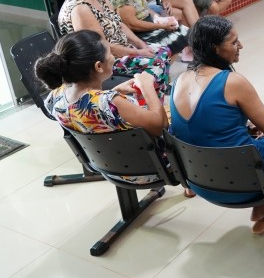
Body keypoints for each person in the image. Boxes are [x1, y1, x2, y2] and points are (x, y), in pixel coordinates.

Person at [169, 16, 264, 234]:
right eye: (234, 42)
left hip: (199, 181)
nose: (240, 46)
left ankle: (261, 211)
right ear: (215, 48)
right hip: (247, 185)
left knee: (240, 142)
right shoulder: (233, 82)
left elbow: (199, 129)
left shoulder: (178, 80)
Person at [35, 30, 168, 184]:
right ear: (98, 66)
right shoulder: (113, 103)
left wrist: (114, 91)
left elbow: (86, 108)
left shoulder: (55, 97)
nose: (113, 56)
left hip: (107, 168)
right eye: (109, 52)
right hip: (151, 171)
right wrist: (147, 87)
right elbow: (160, 126)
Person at [54, 0, 171, 97]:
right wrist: (138, 53)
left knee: (164, 51)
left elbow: (118, 23)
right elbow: (102, 47)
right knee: (156, 63)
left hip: (120, 48)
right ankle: (151, 106)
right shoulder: (80, 9)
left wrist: (140, 44)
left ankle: (155, 94)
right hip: (101, 62)